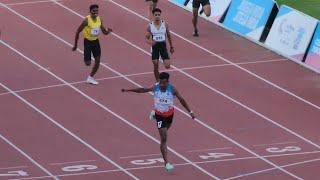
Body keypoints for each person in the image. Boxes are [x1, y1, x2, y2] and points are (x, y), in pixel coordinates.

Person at [121, 72, 195, 171]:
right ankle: (166, 162)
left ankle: (154, 114)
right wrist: (128, 90)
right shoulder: (156, 87)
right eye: (160, 83)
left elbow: (182, 100)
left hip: (170, 115)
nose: (162, 85)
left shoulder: (172, 89)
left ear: (168, 82)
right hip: (160, 116)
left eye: (164, 83)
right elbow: (142, 90)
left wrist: (190, 112)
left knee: (166, 131)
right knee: (164, 138)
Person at [72, 4, 112, 85]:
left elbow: (104, 32)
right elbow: (77, 31)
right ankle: (87, 57)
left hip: (96, 42)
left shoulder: (99, 19)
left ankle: (90, 78)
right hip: (87, 42)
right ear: (90, 11)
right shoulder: (86, 20)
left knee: (97, 61)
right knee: (88, 63)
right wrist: (75, 45)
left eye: (97, 11)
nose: (95, 13)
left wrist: (108, 31)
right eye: (94, 11)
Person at [146, 8, 174, 82]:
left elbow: (168, 35)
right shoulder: (150, 26)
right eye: (156, 15)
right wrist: (150, 42)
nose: (157, 16)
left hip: (162, 46)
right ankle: (158, 80)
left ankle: (162, 75)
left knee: (167, 66)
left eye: (159, 15)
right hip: (155, 47)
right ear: (153, 15)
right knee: (156, 65)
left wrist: (171, 46)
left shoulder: (165, 24)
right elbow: (146, 38)